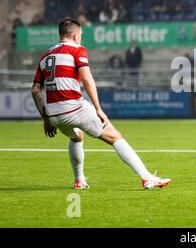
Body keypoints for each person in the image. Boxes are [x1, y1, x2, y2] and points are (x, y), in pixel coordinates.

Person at [31, 18, 171, 190]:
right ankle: (147, 178)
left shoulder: (46, 55)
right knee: (115, 136)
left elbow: (35, 90)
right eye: (81, 35)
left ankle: (79, 180)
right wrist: (98, 109)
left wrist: (46, 119)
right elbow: (87, 79)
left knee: (77, 136)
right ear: (75, 35)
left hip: (53, 114)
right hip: (74, 107)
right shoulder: (77, 50)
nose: (81, 38)